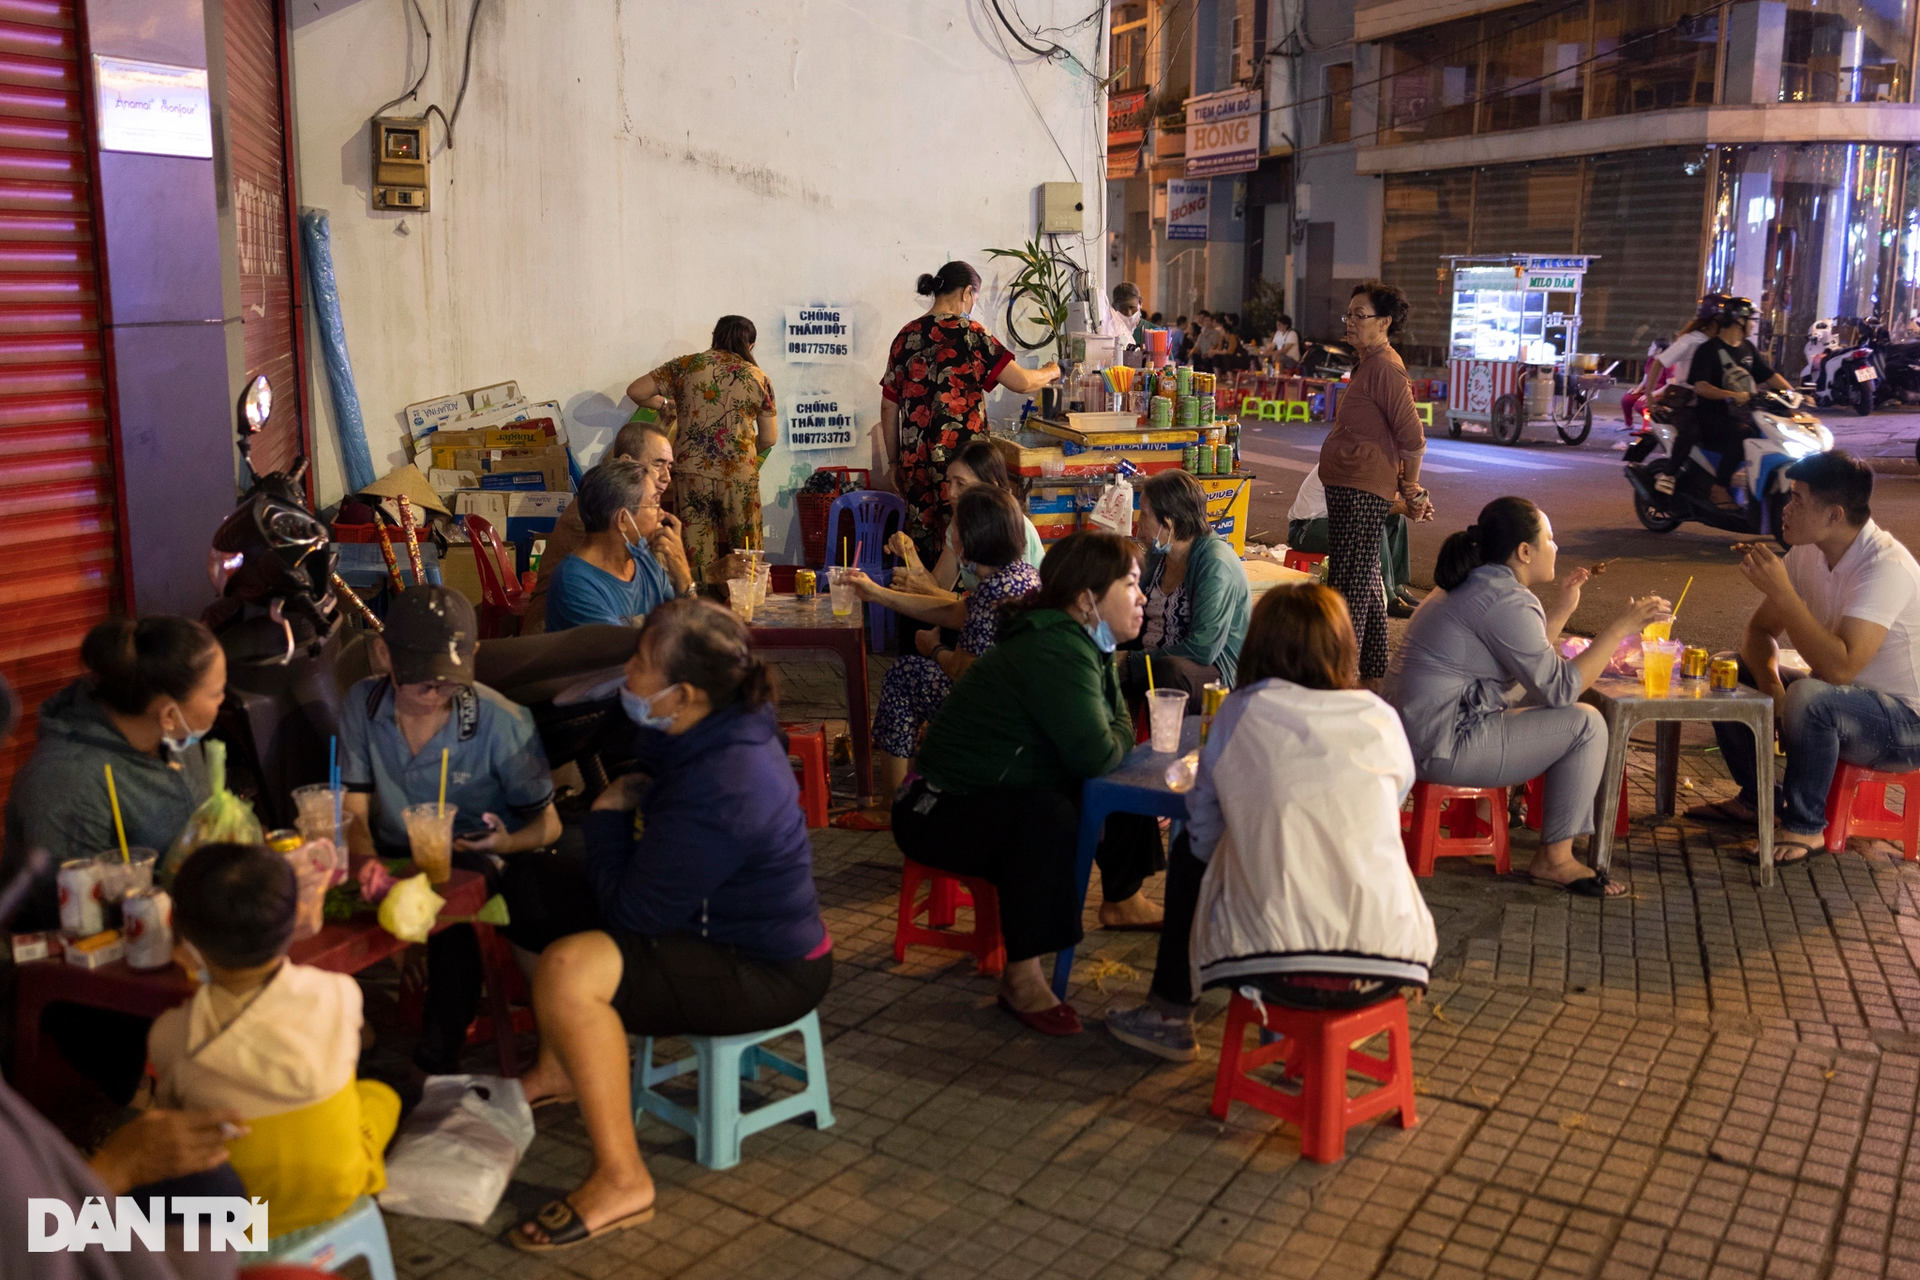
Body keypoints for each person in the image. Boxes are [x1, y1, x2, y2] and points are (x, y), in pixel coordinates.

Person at [509, 599, 830, 1251]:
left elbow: (633, 912)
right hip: (700, 921)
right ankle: (561, 1066)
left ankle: (623, 1180)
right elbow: (647, 766)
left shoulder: (728, 781)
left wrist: (605, 816)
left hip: (765, 967)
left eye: (639, 663)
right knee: (525, 885)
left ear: (682, 694)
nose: (626, 672)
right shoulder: (711, 719)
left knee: (571, 972)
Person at [1106, 584, 1438, 1061]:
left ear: (1258, 647)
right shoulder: (1379, 716)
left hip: (1276, 963)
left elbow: (1204, 831)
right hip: (1393, 961)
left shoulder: (1241, 712)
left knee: (1191, 855)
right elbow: (1390, 800)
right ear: (1343, 648)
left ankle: (1170, 1014)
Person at [892, 532, 1164, 1037]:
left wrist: (1117, 734)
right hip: (934, 809)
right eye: (1130, 584)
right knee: (1052, 814)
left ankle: (1122, 897)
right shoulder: (1055, 646)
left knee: (1120, 778)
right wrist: (1122, 732)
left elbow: (1106, 741)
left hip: (987, 793)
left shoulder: (1086, 639)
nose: (1142, 595)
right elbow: (1098, 749)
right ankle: (1022, 978)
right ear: (1087, 599)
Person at [1385, 498, 1669, 896]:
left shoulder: (1479, 582)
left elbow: (1529, 669)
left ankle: (1495, 814)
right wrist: (1621, 627)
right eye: (1549, 540)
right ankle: (1555, 859)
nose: (1555, 548)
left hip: (1415, 736)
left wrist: (1565, 609)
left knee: (1546, 704)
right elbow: (1561, 687)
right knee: (1586, 723)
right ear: (1524, 551)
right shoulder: (1506, 599)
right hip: (1441, 746)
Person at [338, 586, 561, 1074]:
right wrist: (379, 888)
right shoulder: (363, 703)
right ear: (383, 655)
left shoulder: (503, 721)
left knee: (453, 908)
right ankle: (340, 1037)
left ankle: (437, 1056)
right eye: (420, 682)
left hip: (471, 850)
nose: (434, 695)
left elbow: (549, 824)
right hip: (392, 849)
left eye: (448, 683)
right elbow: (353, 810)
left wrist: (506, 841)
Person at [149, 842, 400, 1236]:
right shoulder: (340, 992)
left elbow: (174, 1122)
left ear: (182, 940)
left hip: (237, 1214)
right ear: (298, 915)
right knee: (382, 1097)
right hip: (337, 1189)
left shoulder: (171, 1035)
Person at [1686, 453, 1920, 865]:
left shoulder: (1883, 566)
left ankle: (1806, 827)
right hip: (1839, 701)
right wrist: (1773, 685)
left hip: (1903, 725)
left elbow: (1840, 669)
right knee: (1729, 669)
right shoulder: (1808, 552)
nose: (1785, 509)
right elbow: (1759, 633)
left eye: (1796, 499)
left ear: (1834, 514)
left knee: (1811, 696)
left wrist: (1786, 595)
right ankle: (1759, 799)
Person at [840, 486, 1041, 828]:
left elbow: (961, 671)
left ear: (974, 539)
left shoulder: (994, 593)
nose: (953, 539)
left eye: (957, 532)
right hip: (1022, 711)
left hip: (992, 718)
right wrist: (878, 594)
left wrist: (933, 649)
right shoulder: (1020, 576)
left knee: (904, 674)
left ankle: (890, 805)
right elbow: (953, 612)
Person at [3, 617, 221, 930]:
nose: (223, 702)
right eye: (215, 694)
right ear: (169, 713)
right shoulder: (67, 781)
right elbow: (73, 923)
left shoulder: (176, 740)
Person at [881, 261, 1060, 563]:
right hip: (964, 466)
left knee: (923, 548)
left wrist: (894, 461)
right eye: (974, 299)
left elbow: (889, 406)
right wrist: (1052, 371)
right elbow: (1023, 383)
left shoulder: (905, 337)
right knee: (969, 539)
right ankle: (965, 606)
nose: (973, 306)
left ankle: (925, 603)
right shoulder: (971, 334)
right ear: (967, 293)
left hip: (917, 463)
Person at [1318, 280, 1434, 681]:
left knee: (1348, 583)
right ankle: (1371, 672)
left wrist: (1412, 489)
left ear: (1384, 322)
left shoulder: (1385, 366)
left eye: (1359, 315)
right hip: (1351, 484)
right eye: (1348, 314)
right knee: (1364, 579)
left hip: (1361, 488)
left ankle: (1340, 676)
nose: (1349, 322)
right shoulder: (1368, 362)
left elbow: (1412, 436)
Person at [625, 315, 777, 581]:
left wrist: (665, 404)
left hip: (691, 474)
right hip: (739, 477)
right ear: (750, 346)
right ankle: (752, 614)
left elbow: (636, 391)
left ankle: (700, 615)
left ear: (713, 336)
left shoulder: (686, 365)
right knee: (747, 557)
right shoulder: (758, 377)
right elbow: (769, 438)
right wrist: (741, 450)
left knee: (698, 562)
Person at [526, 421, 686, 633]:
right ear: (627, 462)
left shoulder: (638, 546)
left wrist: (687, 578)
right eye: (658, 464)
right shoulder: (597, 515)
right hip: (561, 633)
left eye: (669, 466)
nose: (666, 477)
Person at [1119, 469, 1250, 707]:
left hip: (1212, 676)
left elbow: (1203, 649)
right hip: (1150, 660)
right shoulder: (1160, 554)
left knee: (1170, 671)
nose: (1138, 523)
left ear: (1168, 522)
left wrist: (1131, 662)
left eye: (1144, 514)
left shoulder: (1215, 563)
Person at [882, 437, 1045, 596]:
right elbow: (939, 585)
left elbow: (1003, 608)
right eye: (949, 482)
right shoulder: (961, 523)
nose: (951, 493)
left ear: (990, 488)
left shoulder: (1011, 528)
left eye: (961, 484)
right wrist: (909, 553)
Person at [1684, 295, 1794, 498]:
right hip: (1711, 417)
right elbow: (1701, 387)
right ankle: (1720, 487)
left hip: (1741, 414)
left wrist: (1794, 395)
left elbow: (1770, 376)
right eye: (1752, 320)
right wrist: (1733, 395)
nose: (1754, 325)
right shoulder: (1708, 350)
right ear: (1739, 321)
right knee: (1744, 434)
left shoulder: (1748, 348)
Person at [1287, 463, 1420, 616]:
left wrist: (1416, 501)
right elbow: (1365, 509)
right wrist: (1407, 506)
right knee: (1371, 524)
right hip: (1306, 528)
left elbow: (1389, 500)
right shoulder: (1355, 462)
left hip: (1334, 522)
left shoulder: (1376, 462)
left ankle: (1396, 586)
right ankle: (1388, 596)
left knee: (1397, 519)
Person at [1101, 281, 1143, 347]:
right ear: (1114, 308)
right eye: (1123, 309)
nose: (1129, 313)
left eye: (1132, 307)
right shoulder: (1112, 331)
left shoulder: (1152, 332)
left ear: (1140, 303)